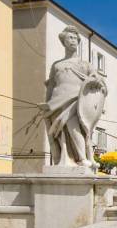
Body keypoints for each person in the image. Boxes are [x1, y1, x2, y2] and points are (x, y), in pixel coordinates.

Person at [38, 26, 107, 169]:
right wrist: (47, 104)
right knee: (62, 133)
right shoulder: (56, 65)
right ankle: (67, 159)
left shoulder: (85, 64)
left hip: (76, 101)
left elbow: (99, 83)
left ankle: (82, 158)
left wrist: (96, 80)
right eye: (70, 38)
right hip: (56, 101)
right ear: (63, 41)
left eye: (75, 38)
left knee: (74, 127)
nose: (73, 41)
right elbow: (51, 86)